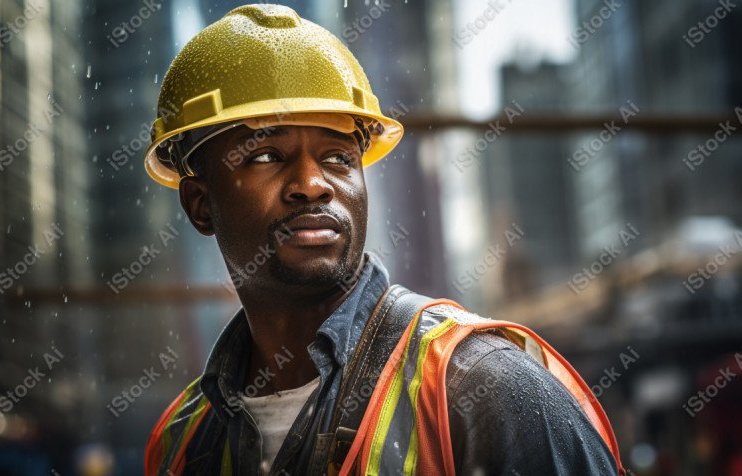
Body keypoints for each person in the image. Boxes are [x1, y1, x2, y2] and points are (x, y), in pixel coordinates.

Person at [142, 4, 624, 475]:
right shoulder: (182, 443)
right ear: (200, 204)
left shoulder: (483, 387)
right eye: (266, 155)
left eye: (338, 157)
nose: (314, 183)